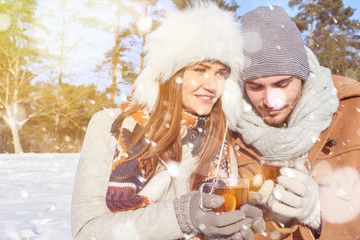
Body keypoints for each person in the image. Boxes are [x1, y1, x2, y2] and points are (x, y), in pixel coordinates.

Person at [71, 3, 265, 240]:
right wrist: (182, 216)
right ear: (172, 74)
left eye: (220, 73)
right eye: (200, 70)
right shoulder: (109, 127)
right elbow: (87, 232)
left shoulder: (220, 141)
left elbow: (216, 220)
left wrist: (233, 225)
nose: (212, 85)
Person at [226, 5, 360, 240]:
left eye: (282, 84)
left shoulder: (353, 109)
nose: (270, 101)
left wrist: (319, 214)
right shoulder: (230, 126)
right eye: (256, 87)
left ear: (303, 75)